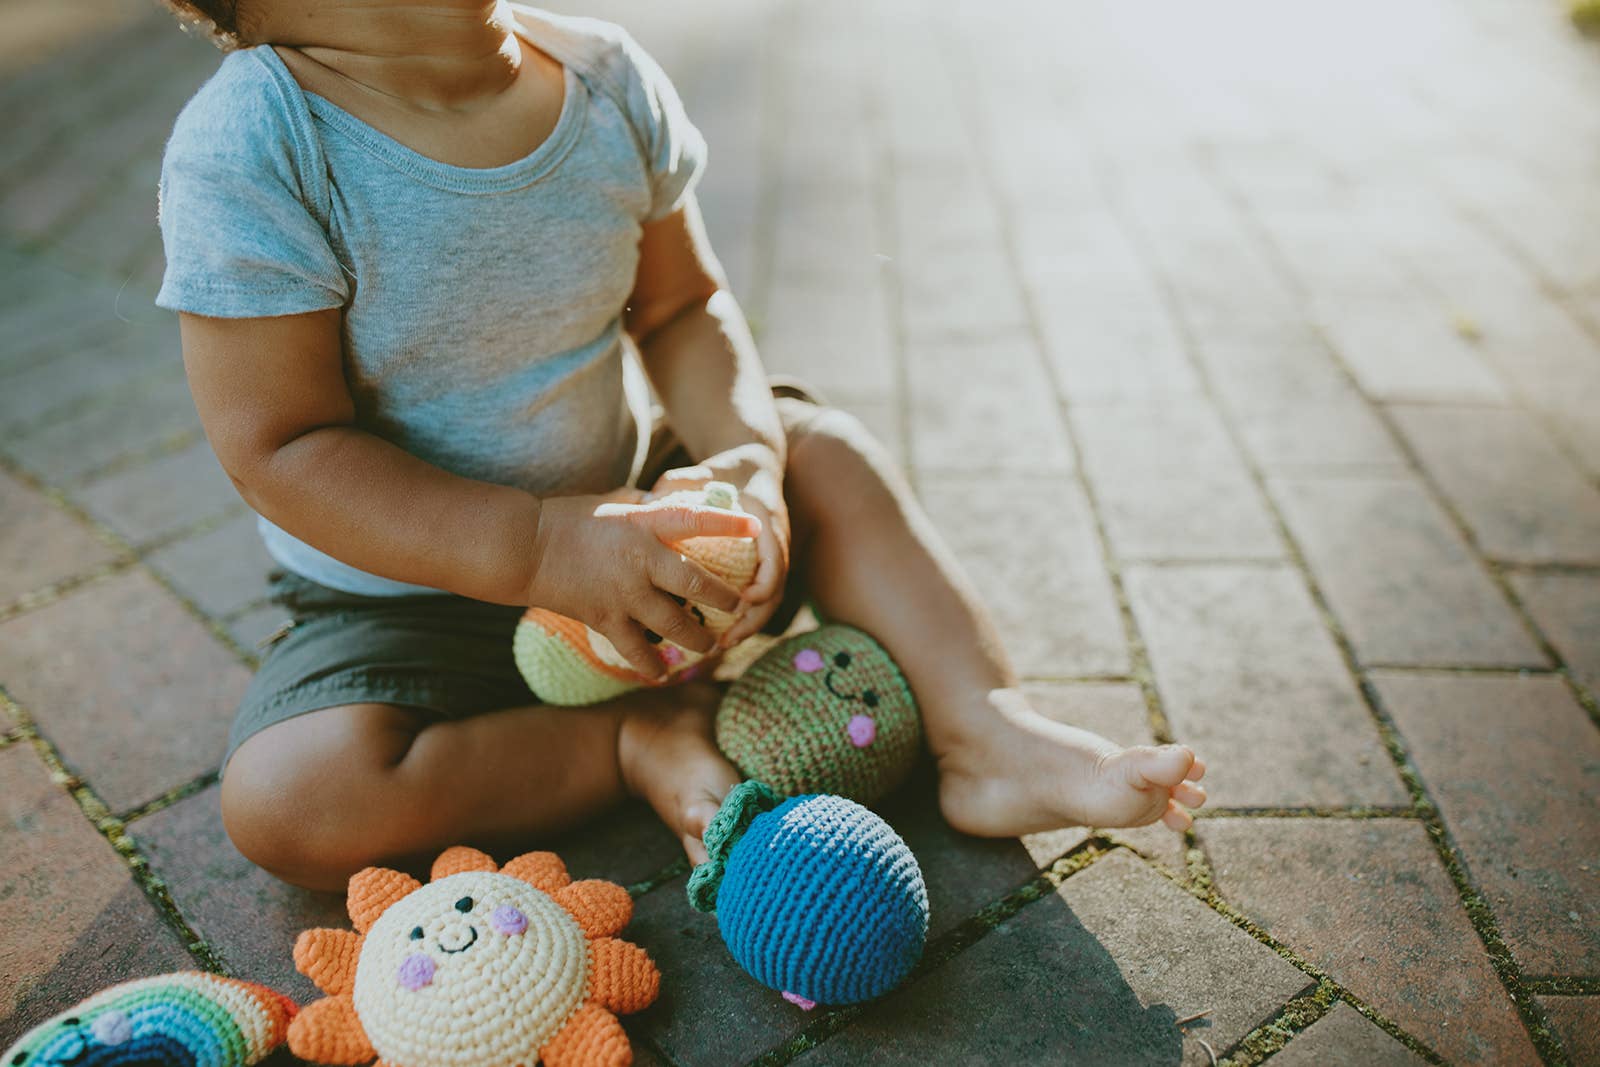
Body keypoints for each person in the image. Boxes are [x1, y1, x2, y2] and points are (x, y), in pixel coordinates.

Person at [154, 0, 1206, 892]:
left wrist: (743, 462)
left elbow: (682, 306)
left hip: (633, 521)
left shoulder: (606, 81)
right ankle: (623, 740)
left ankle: (985, 731)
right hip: (410, 595)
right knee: (290, 797)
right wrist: (535, 549)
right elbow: (283, 443)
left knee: (821, 449)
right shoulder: (256, 148)